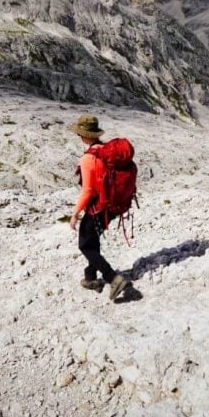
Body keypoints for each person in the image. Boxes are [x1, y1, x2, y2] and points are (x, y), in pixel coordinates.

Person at [69, 114, 131, 301]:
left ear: (84, 136)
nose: (79, 137)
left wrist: (74, 214)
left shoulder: (88, 158)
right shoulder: (105, 150)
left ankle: (113, 278)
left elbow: (87, 190)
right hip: (111, 207)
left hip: (97, 207)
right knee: (92, 241)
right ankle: (90, 278)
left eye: (79, 134)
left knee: (85, 245)